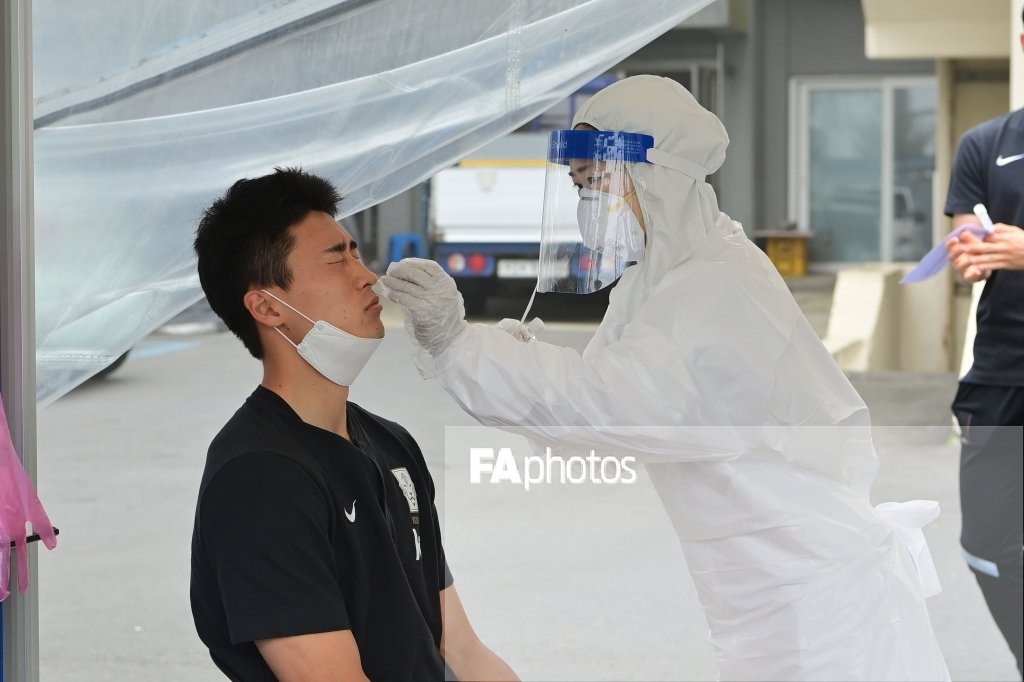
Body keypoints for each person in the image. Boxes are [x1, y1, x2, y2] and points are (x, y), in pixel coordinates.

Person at [383, 76, 950, 681]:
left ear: (659, 173)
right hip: (764, 599)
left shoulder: (716, 284)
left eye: (598, 183)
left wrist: (462, 346)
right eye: (579, 187)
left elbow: (605, 408)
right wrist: (501, 356)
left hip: (821, 604)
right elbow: (579, 418)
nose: (587, 205)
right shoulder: (660, 277)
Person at [189, 167, 518, 681]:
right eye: (336, 257)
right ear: (267, 307)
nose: (366, 275)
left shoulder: (392, 444)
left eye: (356, 252)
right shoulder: (259, 478)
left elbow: (461, 648)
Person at [943, 15, 1024, 676]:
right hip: (1000, 374)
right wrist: (967, 253)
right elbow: (964, 231)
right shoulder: (986, 143)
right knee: (984, 543)